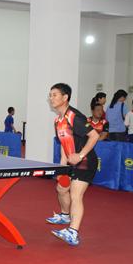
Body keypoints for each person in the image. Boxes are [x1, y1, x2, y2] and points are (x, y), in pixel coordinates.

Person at [46, 83, 99, 247]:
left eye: (54, 95)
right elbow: (63, 143)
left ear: (65, 97)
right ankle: (64, 215)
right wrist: (62, 167)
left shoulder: (74, 117)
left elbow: (94, 136)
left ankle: (73, 232)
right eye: (50, 95)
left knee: (76, 195)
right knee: (61, 189)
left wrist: (80, 155)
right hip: (70, 162)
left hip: (85, 162)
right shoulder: (58, 120)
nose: (51, 98)